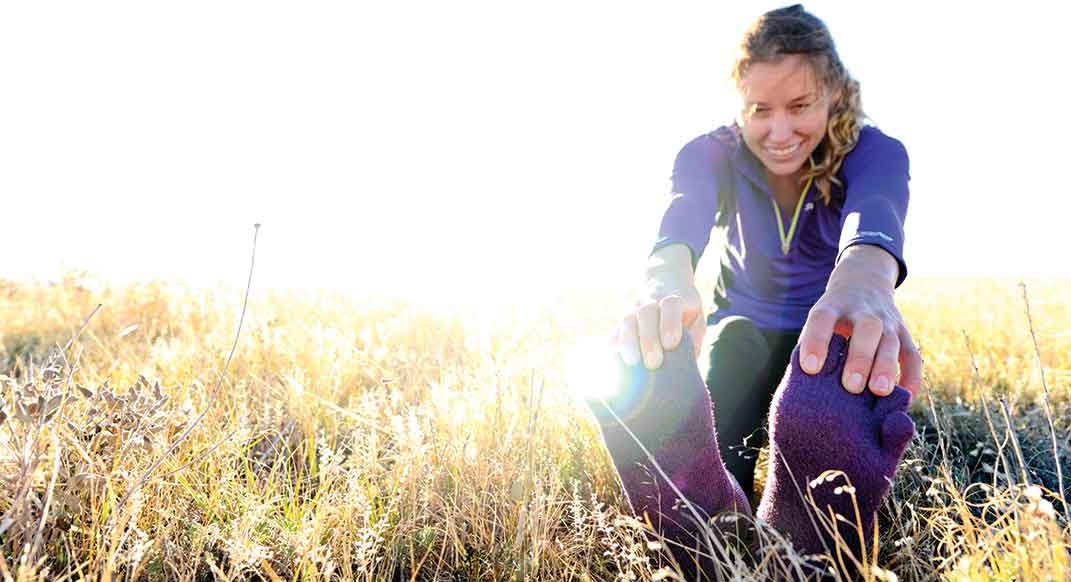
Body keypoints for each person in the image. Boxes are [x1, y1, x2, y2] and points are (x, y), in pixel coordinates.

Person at [590, 4, 921, 578]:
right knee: (734, 348)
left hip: (819, 335)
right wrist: (663, 281)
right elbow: (681, 218)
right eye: (759, 111)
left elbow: (876, 213)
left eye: (799, 107)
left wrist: (865, 282)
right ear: (739, 105)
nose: (780, 131)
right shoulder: (711, 153)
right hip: (742, 325)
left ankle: (805, 529)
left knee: (828, 370)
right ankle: (714, 515)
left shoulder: (875, 151)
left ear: (834, 95)